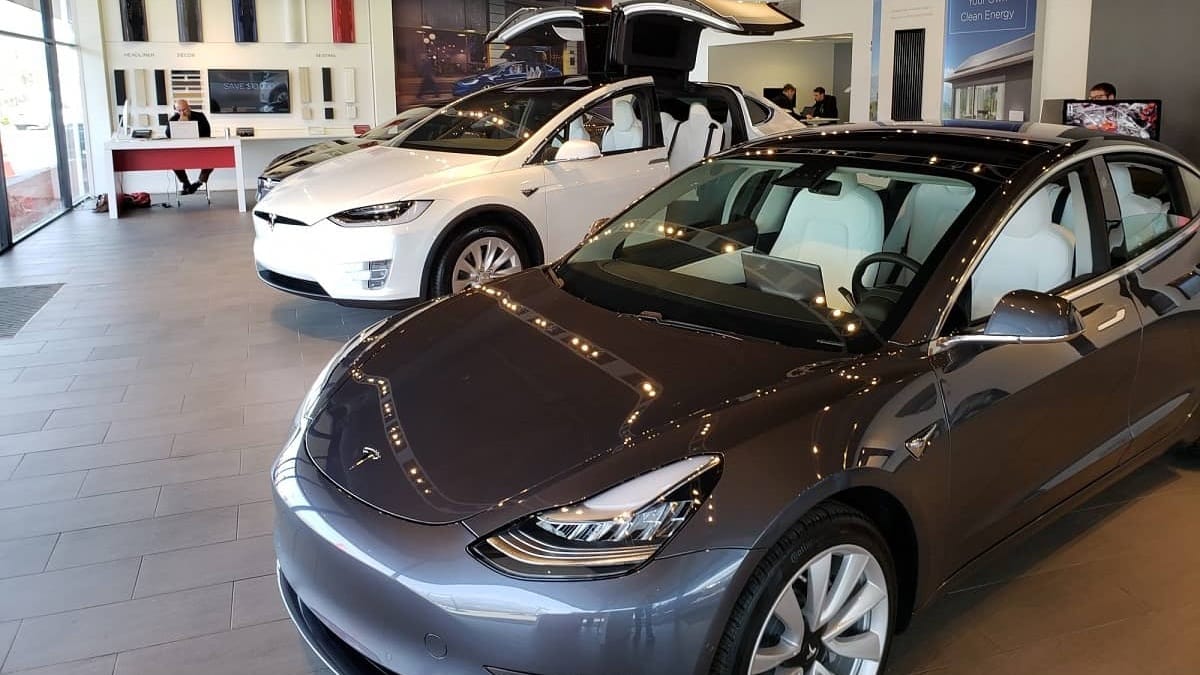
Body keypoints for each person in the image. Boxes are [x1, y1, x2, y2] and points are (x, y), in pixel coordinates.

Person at [166, 99, 212, 195]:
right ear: (176, 110)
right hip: (182, 152)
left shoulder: (200, 116)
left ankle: (199, 182)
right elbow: (168, 135)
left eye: (185, 110)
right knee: (172, 160)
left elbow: (207, 133)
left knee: (213, 159)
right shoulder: (174, 119)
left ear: (189, 108)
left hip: (200, 150)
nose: (182, 113)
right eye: (179, 111)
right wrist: (179, 124)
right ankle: (185, 183)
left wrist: (189, 125)